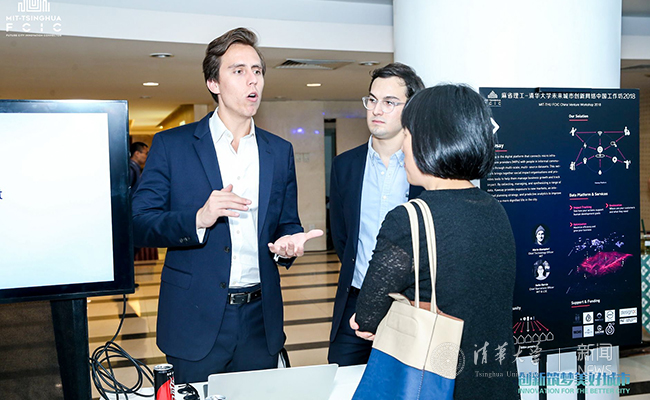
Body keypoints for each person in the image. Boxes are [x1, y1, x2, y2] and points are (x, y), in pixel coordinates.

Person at [132, 27, 322, 383]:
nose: (253, 80)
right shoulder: (173, 145)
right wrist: (198, 218)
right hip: (195, 319)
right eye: (239, 71)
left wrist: (288, 244)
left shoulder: (279, 151)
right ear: (213, 83)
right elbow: (139, 222)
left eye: (257, 71)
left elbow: (286, 223)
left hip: (260, 320)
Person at [352, 84, 519, 399]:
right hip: (495, 380)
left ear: (429, 141)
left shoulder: (409, 219)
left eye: (407, 134)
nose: (403, 146)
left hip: (440, 383)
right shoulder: (494, 208)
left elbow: (367, 314)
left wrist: (368, 320)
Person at [328, 63, 424, 366]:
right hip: (355, 303)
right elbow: (343, 238)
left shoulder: (427, 169)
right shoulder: (345, 166)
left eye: (389, 102)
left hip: (411, 307)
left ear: (411, 109)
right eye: (372, 100)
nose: (376, 110)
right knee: (342, 381)